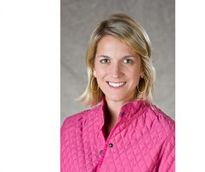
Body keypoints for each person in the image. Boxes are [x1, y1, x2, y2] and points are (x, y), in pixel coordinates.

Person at [61, 13, 175, 172]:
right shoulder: (69, 129)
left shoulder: (167, 135)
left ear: (142, 68)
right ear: (93, 67)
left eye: (127, 61)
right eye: (105, 60)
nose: (115, 72)